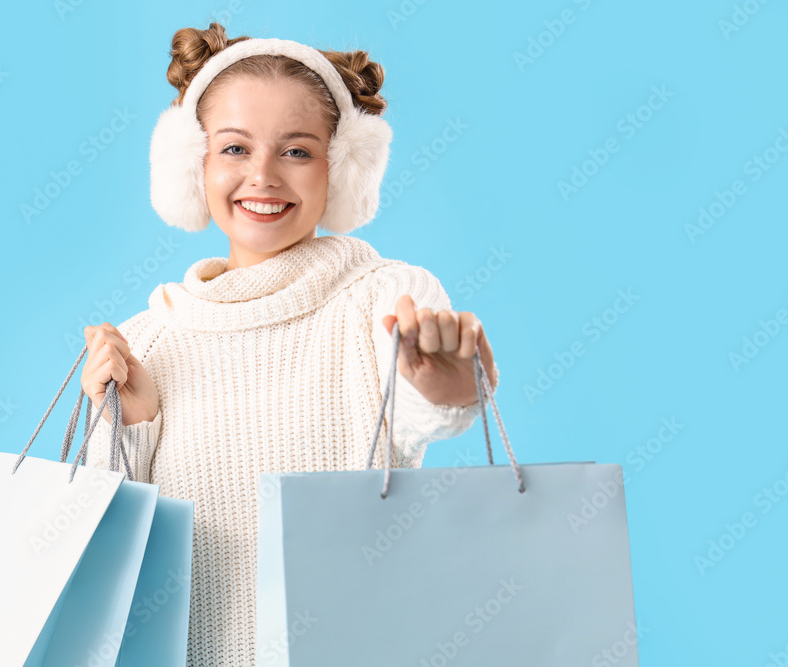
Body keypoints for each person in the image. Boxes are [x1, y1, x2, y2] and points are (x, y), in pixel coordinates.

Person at [80, 22, 499, 667]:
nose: (264, 176)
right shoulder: (149, 338)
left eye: (298, 152)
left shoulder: (382, 296)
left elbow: (429, 412)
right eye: (235, 149)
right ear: (193, 165)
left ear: (343, 168)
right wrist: (129, 423)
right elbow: (105, 554)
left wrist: (444, 383)